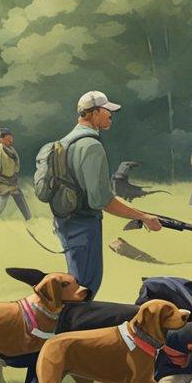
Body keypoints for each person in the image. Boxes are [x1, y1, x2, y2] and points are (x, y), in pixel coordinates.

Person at [54, 90, 162, 300]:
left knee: (74, 285)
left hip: (65, 221)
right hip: (84, 224)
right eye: (106, 110)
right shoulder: (91, 146)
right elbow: (101, 199)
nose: (110, 114)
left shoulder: (65, 141)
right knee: (84, 288)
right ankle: (72, 331)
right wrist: (143, 216)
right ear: (93, 113)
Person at [0, 127, 32, 221]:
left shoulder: (12, 150)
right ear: (1, 138)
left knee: (19, 197)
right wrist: (1, 176)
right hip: (2, 180)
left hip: (12, 179)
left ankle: (28, 217)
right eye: (8, 138)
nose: (11, 140)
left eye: (11, 137)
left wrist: (13, 173)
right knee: (2, 200)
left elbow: (16, 164)